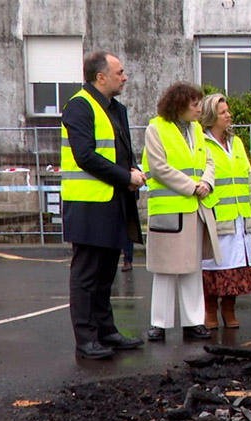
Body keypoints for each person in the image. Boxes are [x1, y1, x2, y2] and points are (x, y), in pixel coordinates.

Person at [61, 51, 145, 360]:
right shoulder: (79, 106)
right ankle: (86, 339)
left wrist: (133, 173)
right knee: (86, 275)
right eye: (120, 72)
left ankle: (105, 330)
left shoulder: (115, 109)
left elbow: (121, 149)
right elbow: (85, 156)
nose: (124, 77)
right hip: (87, 205)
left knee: (106, 272)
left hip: (113, 202)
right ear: (101, 77)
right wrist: (126, 177)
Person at [141, 82, 222, 342]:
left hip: (193, 209)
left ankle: (193, 322)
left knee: (191, 268)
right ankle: (159, 324)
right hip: (169, 211)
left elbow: (209, 161)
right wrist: (192, 187)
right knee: (165, 270)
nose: (200, 109)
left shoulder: (197, 130)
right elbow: (158, 167)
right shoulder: (156, 129)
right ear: (180, 105)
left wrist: (207, 183)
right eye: (195, 104)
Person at [199, 93, 251, 329]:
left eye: (228, 111)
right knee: (213, 266)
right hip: (216, 215)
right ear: (211, 116)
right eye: (223, 112)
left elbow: (248, 178)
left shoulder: (236, 142)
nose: (229, 115)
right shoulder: (201, 143)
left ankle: (228, 310)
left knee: (236, 266)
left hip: (240, 215)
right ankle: (209, 311)